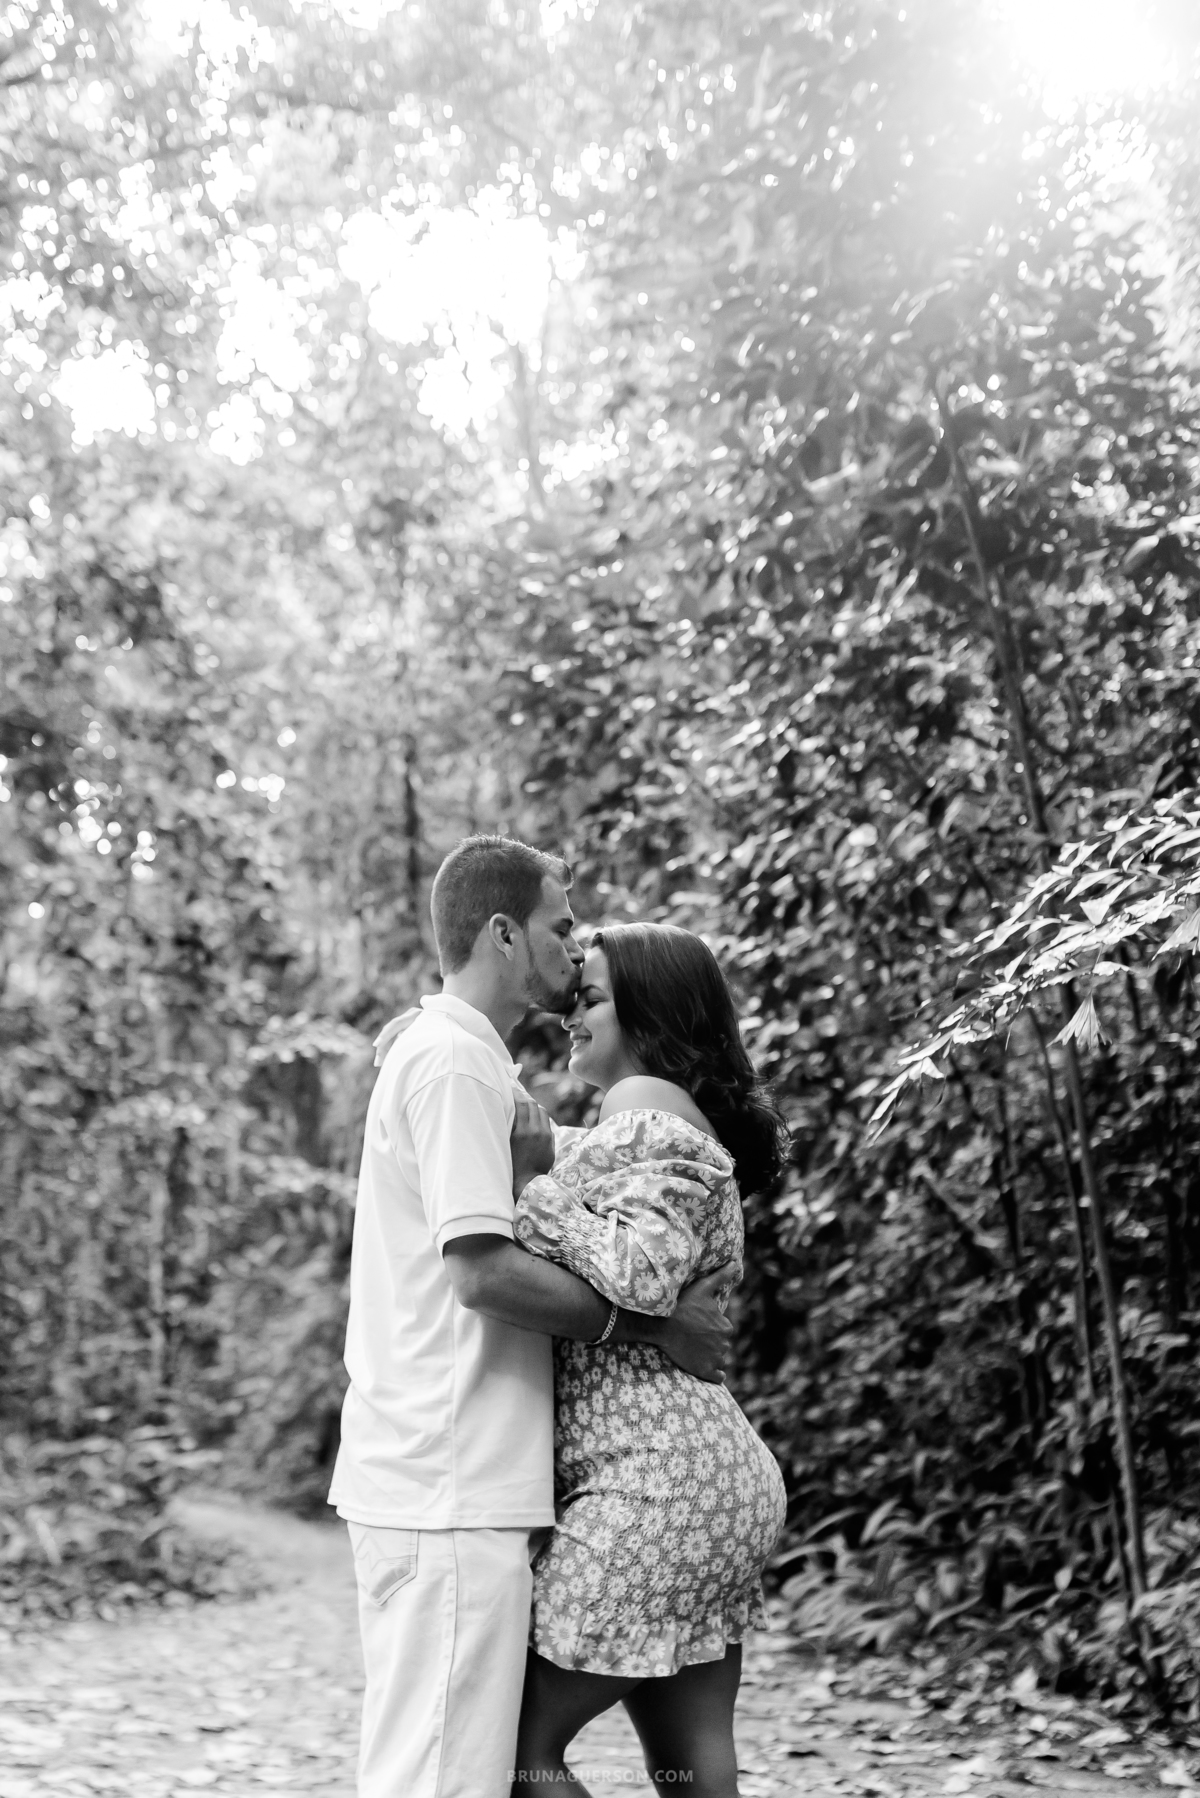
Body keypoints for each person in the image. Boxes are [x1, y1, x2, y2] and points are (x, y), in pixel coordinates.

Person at [327, 836, 736, 1798]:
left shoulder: (469, 1066)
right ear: (505, 934)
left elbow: (549, 1175)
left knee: (463, 1764)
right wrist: (657, 1330)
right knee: (446, 1774)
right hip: (449, 1477)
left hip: (465, 1479)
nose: (572, 947)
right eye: (560, 928)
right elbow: (480, 1275)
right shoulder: (458, 1067)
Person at [507, 922, 790, 1798]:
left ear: (649, 1010)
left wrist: (527, 1188)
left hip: (655, 1489)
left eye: (589, 997)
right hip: (705, 1482)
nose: (570, 1017)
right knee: (693, 1767)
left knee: (511, 1749)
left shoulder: (645, 1104)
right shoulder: (645, 1116)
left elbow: (641, 1273)